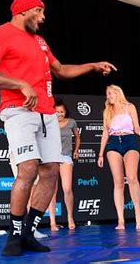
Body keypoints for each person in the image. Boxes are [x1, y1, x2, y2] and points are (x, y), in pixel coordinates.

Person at [0, 0, 116, 256]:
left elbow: (60, 70)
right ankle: (15, 235)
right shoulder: (0, 33)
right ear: (22, 11)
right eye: (39, 11)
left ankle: (28, 232)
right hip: (18, 111)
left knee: (50, 171)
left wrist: (92, 65)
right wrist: (20, 84)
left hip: (48, 113)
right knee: (28, 169)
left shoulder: (39, 41)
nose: (43, 17)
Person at [97, 85, 140, 230]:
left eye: (110, 93)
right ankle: (121, 220)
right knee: (118, 182)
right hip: (113, 143)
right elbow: (105, 133)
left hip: (129, 140)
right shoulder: (107, 111)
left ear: (118, 93)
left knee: (131, 178)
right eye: (107, 94)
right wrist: (100, 154)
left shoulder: (130, 107)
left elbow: (136, 127)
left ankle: (138, 214)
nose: (108, 97)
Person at [48, 98, 80, 231]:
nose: (59, 114)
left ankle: (69, 217)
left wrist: (76, 150)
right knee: (52, 191)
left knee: (67, 188)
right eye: (57, 112)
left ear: (65, 112)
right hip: (51, 158)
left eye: (61, 111)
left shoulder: (71, 122)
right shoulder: (49, 123)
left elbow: (77, 136)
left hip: (66, 157)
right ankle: (52, 222)